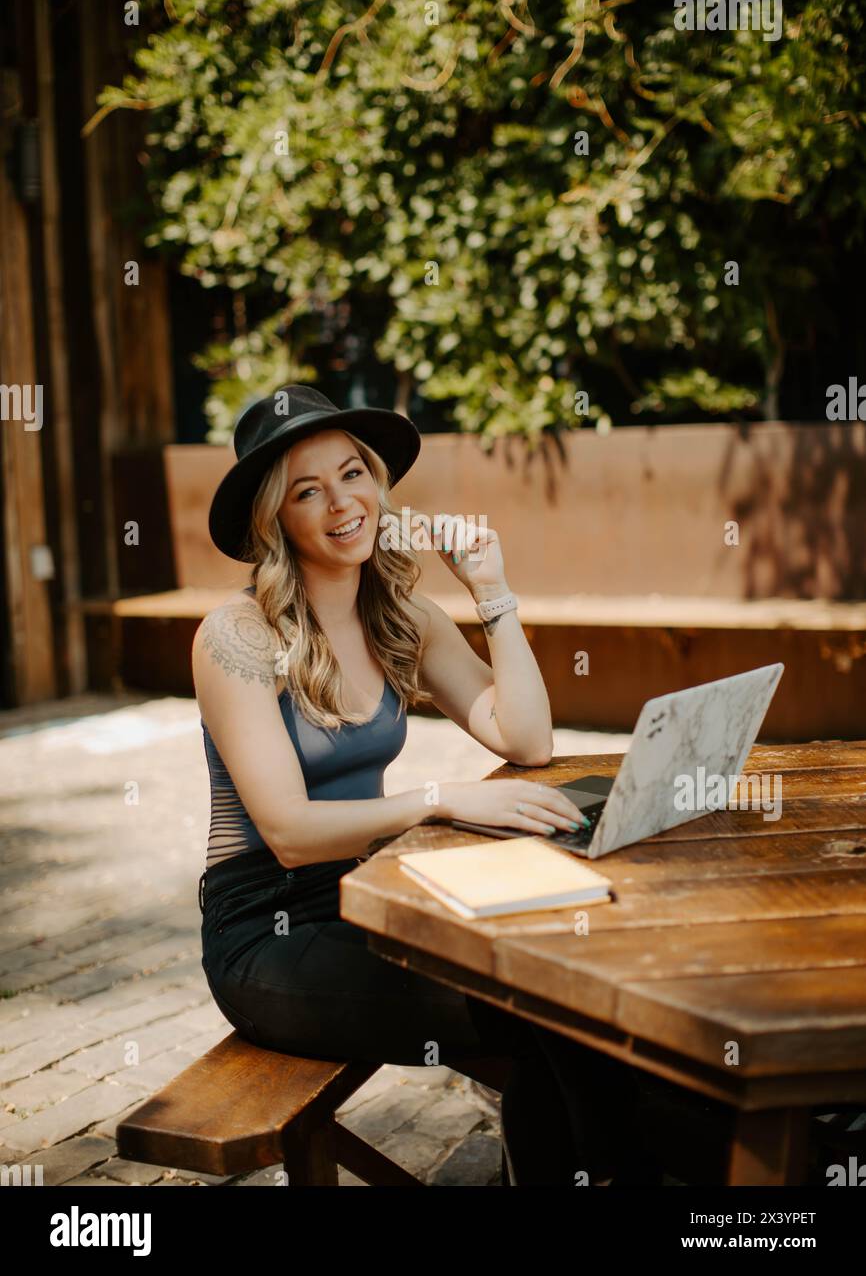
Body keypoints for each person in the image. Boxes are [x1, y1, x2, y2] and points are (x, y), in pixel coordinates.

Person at [194, 383, 659, 1186]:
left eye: (353, 474)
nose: (343, 504)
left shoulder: (401, 616)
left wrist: (490, 589)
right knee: (549, 1008)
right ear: (274, 520)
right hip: (269, 929)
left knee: (570, 980)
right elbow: (289, 832)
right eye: (308, 491)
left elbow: (525, 737)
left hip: (372, 894)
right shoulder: (237, 634)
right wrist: (443, 798)